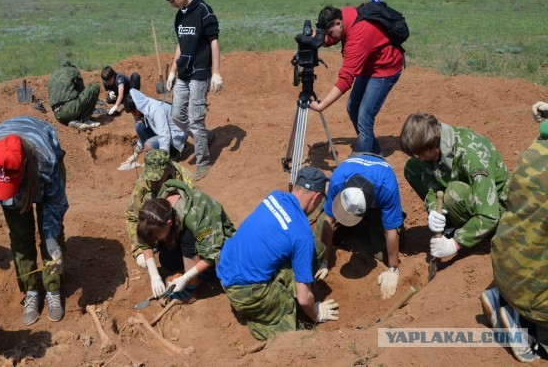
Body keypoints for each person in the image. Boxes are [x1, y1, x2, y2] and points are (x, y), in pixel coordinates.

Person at [0, 116, 69, 325]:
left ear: (24, 168)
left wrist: (50, 237)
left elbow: (55, 203)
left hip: (39, 169)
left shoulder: (45, 163)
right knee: (20, 237)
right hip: (13, 168)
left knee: (52, 236)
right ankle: (31, 290)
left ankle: (53, 287)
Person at [216, 167, 339, 340]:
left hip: (225, 266)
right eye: (319, 201)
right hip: (244, 292)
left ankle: (268, 293)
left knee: (311, 249)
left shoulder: (274, 197)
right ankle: (258, 317)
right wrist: (316, 314)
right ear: (317, 198)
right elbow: (304, 299)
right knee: (288, 322)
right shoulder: (301, 234)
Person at [480, 104, 548, 363]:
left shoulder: (538, 145)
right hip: (534, 295)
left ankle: (502, 300)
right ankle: (527, 330)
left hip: (504, 269)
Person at [400, 112, 509, 261]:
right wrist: (434, 210)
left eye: (421, 154)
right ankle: (450, 222)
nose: (420, 158)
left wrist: (455, 243)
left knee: (454, 193)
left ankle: (480, 235)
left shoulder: (471, 155)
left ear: (433, 144)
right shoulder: (433, 149)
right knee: (413, 168)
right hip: (464, 191)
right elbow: (432, 187)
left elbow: (489, 215)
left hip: (495, 209)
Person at [308, 5, 404, 155]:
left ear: (338, 23)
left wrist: (322, 106)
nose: (329, 36)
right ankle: (373, 149)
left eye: (329, 33)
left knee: (365, 115)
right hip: (368, 64)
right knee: (353, 107)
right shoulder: (344, 15)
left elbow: (346, 79)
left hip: (385, 68)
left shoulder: (357, 39)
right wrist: (319, 38)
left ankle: (363, 159)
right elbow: (335, 37)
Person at [318, 154, 405, 299]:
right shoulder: (339, 179)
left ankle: (378, 219)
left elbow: (390, 231)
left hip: (379, 191)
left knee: (381, 251)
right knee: (319, 227)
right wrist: (323, 260)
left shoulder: (387, 188)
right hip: (354, 168)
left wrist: (393, 268)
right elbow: (329, 220)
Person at [164, 0, 223, 181]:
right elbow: (181, 44)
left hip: (200, 72)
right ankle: (205, 136)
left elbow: (213, 42)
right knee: (176, 115)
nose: (172, 4)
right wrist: (172, 71)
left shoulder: (203, 11)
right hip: (184, 72)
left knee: (196, 119)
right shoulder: (179, 16)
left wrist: (216, 72)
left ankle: (203, 161)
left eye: (173, 0)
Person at [138, 179, 234, 302]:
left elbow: (212, 253)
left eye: (157, 236)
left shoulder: (196, 217)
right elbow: (145, 241)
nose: (155, 240)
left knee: (188, 238)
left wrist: (187, 278)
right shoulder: (154, 212)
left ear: (169, 223)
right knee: (169, 262)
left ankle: (191, 291)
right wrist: (154, 275)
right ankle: (197, 270)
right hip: (189, 233)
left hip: (216, 239)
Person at [125, 149, 195, 268]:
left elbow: (194, 215)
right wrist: (138, 251)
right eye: (150, 178)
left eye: (157, 179)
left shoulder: (185, 180)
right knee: (168, 262)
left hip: (178, 228)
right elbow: (132, 215)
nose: (153, 182)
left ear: (168, 170)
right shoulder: (145, 180)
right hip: (159, 226)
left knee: (175, 261)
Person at [123, 88, 187, 163]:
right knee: (139, 126)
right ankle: (162, 152)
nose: (133, 115)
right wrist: (136, 153)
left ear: (137, 107)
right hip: (168, 133)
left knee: (148, 145)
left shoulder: (155, 110)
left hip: (176, 137)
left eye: (133, 112)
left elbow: (164, 135)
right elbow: (143, 134)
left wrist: (164, 159)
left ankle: (173, 154)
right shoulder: (145, 107)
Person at [48, 61, 101, 130]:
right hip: (69, 110)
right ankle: (84, 120)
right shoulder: (74, 71)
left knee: (71, 100)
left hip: (57, 114)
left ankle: (74, 121)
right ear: (72, 66)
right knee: (94, 87)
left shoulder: (53, 75)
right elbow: (82, 90)